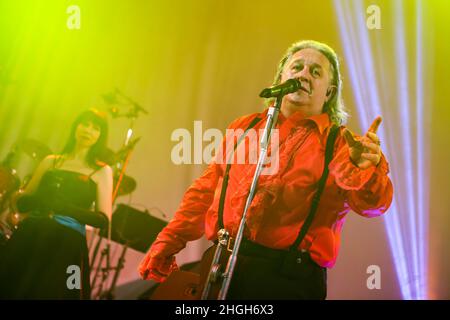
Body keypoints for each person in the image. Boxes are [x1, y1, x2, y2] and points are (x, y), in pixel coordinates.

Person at [139, 40, 394, 299]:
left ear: (328, 92)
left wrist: (367, 172)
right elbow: (206, 191)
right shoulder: (245, 127)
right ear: (281, 77)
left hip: (287, 280)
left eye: (315, 72)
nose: (303, 74)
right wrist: (168, 242)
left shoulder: (341, 144)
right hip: (221, 264)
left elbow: (372, 206)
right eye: (297, 67)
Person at [0, 109, 113, 299]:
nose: (88, 130)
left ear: (100, 136)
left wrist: (66, 208)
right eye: (85, 124)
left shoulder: (102, 171)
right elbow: (22, 202)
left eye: (95, 128)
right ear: (76, 127)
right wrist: (37, 200)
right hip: (31, 234)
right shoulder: (50, 161)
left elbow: (103, 220)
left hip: (65, 243)